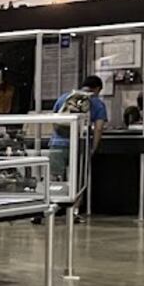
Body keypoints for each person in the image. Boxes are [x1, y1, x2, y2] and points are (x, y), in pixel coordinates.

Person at [40, 74, 108, 219]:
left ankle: (46, 209)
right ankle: (74, 212)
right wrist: (93, 148)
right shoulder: (96, 103)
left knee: (53, 177)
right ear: (97, 89)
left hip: (57, 144)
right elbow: (99, 128)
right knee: (77, 179)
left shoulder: (64, 97)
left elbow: (54, 120)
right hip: (79, 145)